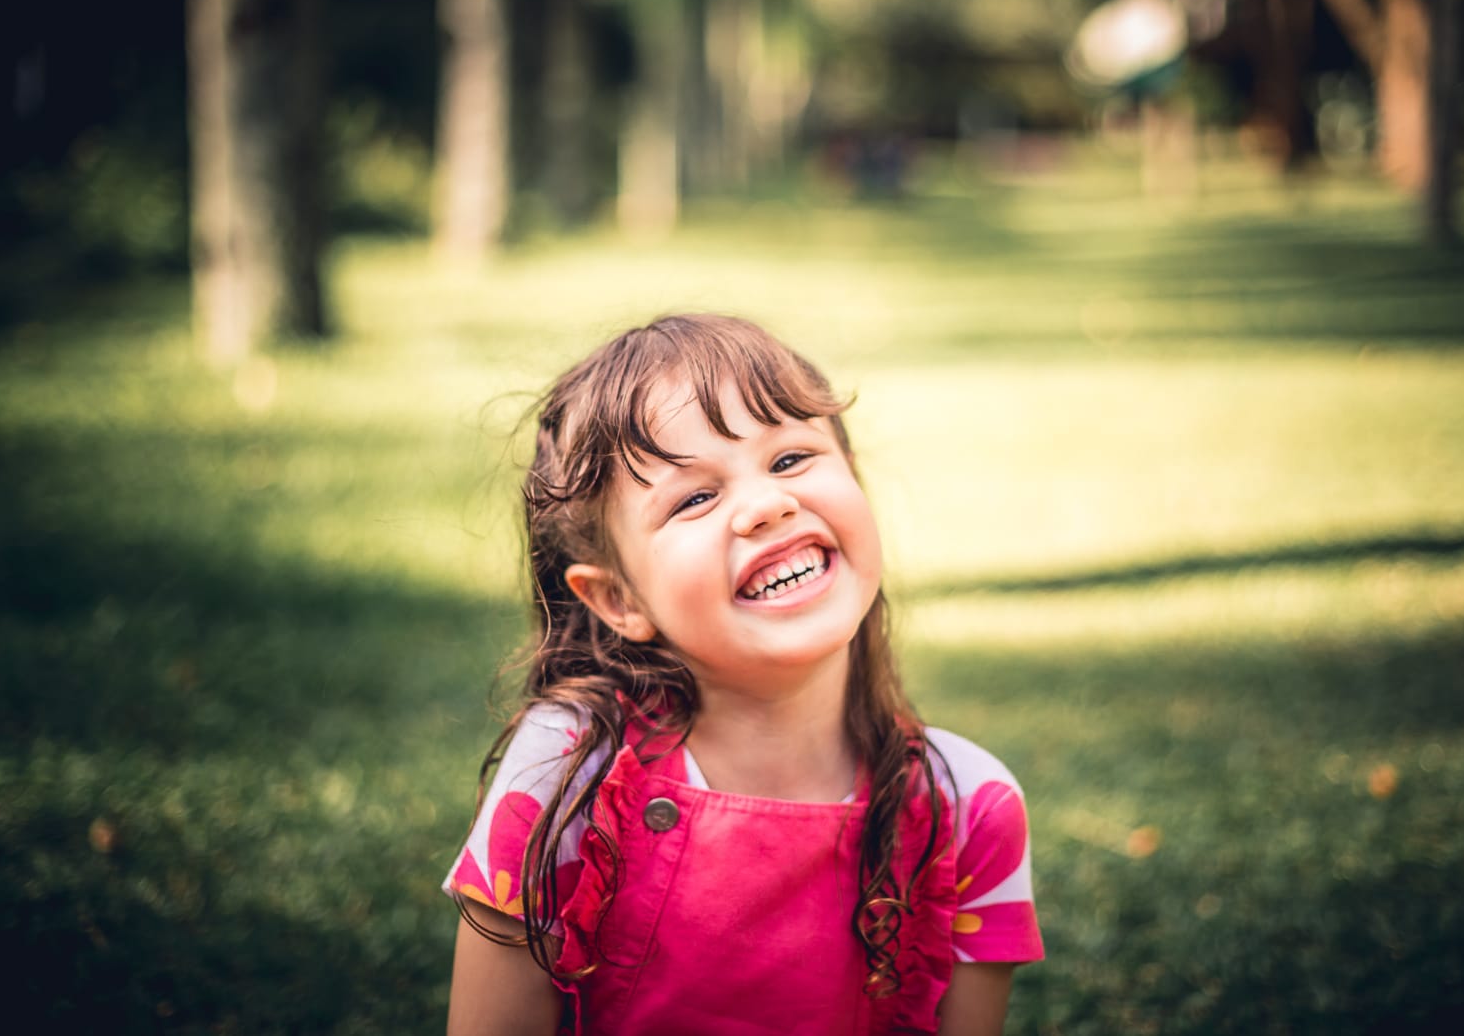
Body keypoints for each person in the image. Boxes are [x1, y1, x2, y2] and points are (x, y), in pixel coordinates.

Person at [444, 314, 1044, 1035]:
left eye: (790, 459)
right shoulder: (566, 774)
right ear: (618, 599)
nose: (766, 505)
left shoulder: (970, 806)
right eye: (695, 498)